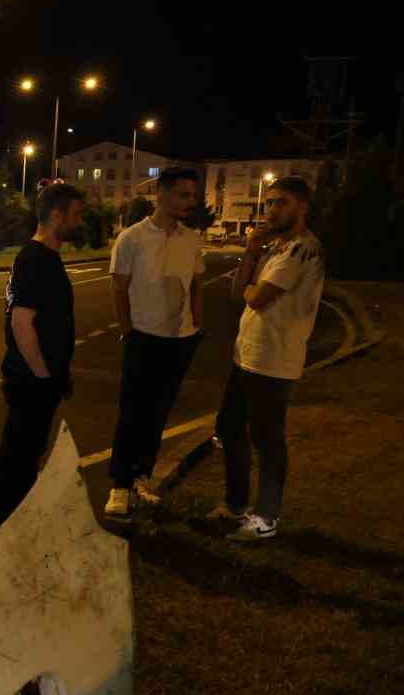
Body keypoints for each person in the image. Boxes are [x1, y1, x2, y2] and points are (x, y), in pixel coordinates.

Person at [209, 176, 325, 541]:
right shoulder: (274, 248)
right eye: (270, 202)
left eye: (282, 202)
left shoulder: (301, 249)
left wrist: (250, 289)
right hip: (248, 355)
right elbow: (237, 290)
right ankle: (236, 504)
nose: (271, 209)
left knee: (267, 439)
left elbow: (258, 297)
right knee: (229, 427)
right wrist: (252, 250)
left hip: (274, 359)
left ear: (302, 207)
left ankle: (266, 518)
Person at [104, 167, 206, 520]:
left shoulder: (192, 239)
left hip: (180, 339)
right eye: (183, 195)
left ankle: (140, 479)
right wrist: (128, 331)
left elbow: (195, 286)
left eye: (192, 196)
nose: (189, 202)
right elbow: (119, 288)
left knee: (158, 413)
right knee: (132, 411)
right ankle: (119, 484)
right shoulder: (131, 238)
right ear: (160, 195)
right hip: (143, 337)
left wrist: (197, 327)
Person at [0, 182, 84, 530]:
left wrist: (60, 374)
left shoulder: (45, 258)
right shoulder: (35, 259)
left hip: (40, 379)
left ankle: (15, 526)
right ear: (57, 215)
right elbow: (21, 322)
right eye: (75, 214)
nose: (79, 221)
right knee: (16, 462)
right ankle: (4, 530)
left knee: (25, 458)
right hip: (31, 381)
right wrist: (45, 377)